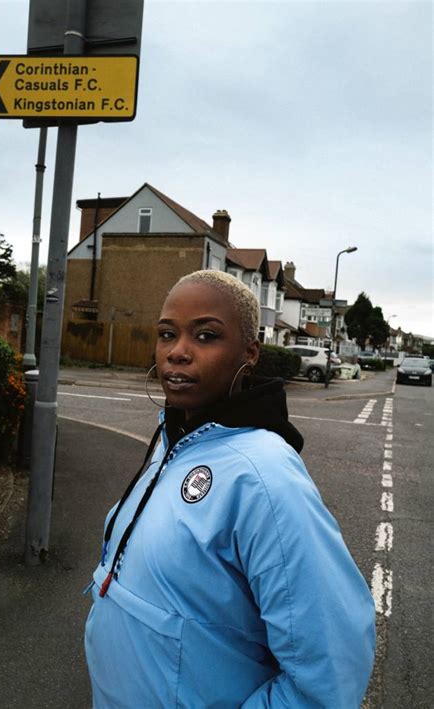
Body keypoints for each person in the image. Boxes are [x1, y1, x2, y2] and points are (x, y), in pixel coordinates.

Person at [84, 270, 375, 708]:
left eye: (205, 336)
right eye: (167, 334)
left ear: (250, 352)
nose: (177, 352)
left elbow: (331, 673)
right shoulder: (174, 439)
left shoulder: (264, 474)